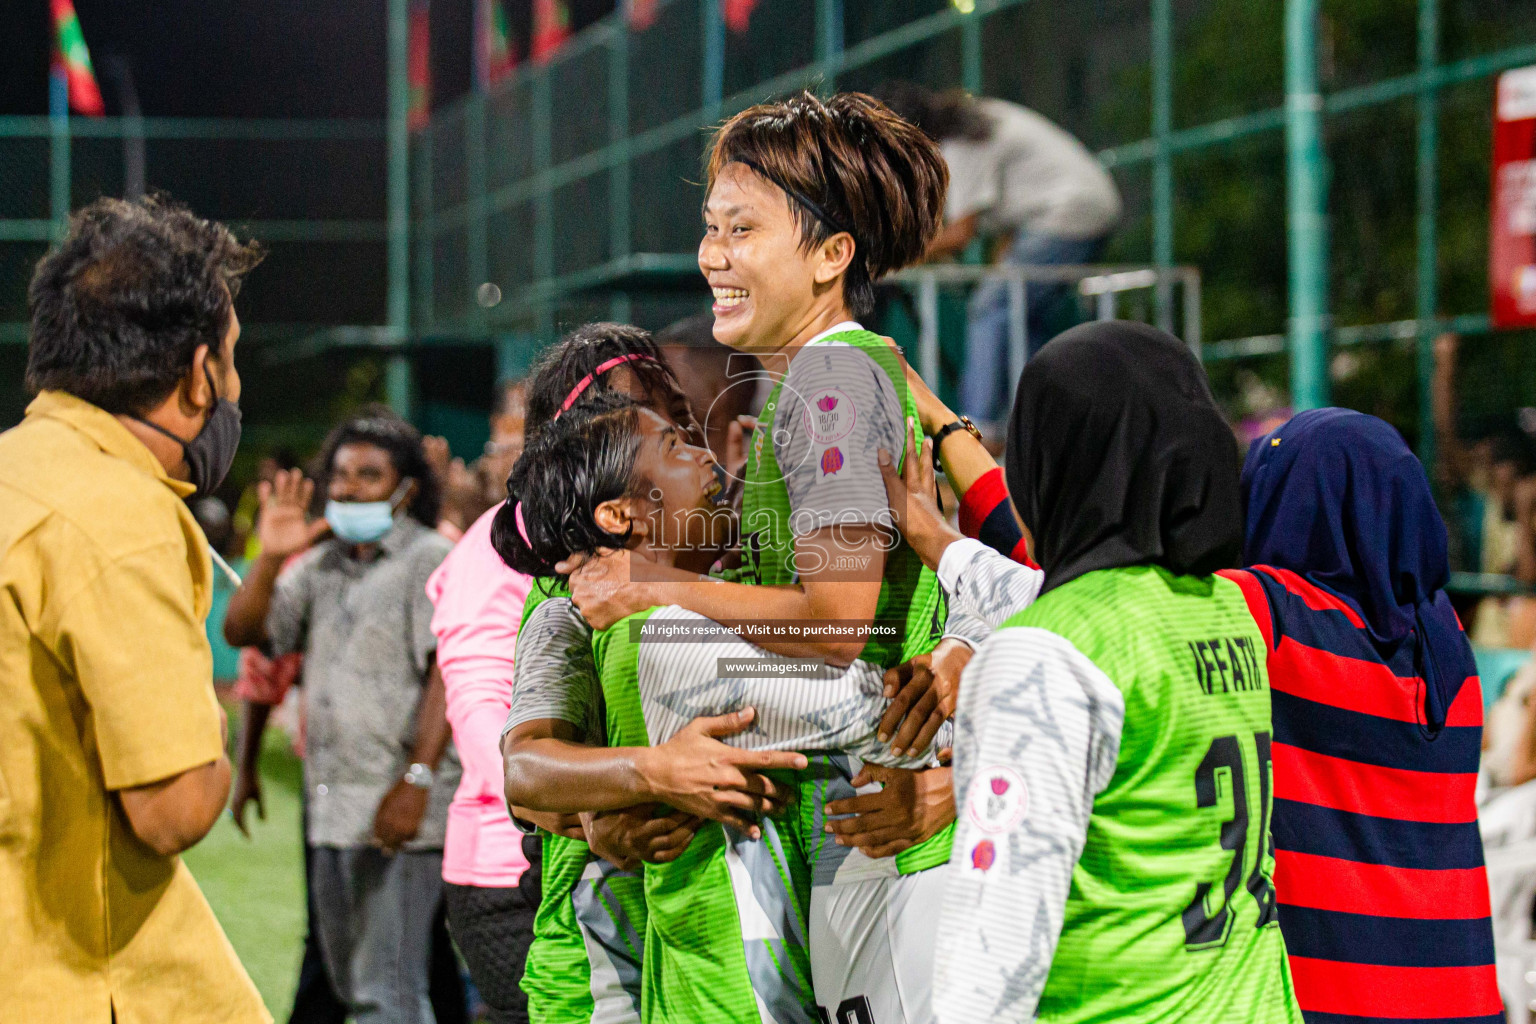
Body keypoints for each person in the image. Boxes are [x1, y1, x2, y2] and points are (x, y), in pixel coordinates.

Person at [561, 91, 966, 1024]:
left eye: (743, 230)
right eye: (710, 229)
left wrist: (650, 583)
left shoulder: (830, 379)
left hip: (871, 768)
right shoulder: (829, 374)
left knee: (658, 636)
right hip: (863, 787)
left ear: (832, 256)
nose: (714, 256)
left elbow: (837, 624)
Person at [880, 320, 1301, 1024]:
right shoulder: (1228, 612)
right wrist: (935, 536)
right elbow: (1038, 590)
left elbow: (995, 949)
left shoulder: (1045, 652)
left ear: (1061, 465)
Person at [0, 194, 268, 1023]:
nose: (232, 383)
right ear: (196, 375)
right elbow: (175, 806)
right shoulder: (119, 514)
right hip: (72, 979)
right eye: (229, 359)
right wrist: (214, 737)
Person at [1227, 408, 1500, 1024]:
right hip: (1464, 998)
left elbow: (1098, 591)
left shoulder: (1270, 617)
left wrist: (959, 454)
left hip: (1336, 1005)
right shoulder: (1449, 649)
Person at [224, 410, 461, 1024]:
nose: (349, 488)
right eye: (340, 474)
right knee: (353, 988)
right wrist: (272, 558)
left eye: (369, 475)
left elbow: (447, 673)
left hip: (397, 809)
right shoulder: (321, 564)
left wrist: (415, 781)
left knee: (390, 992)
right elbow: (244, 630)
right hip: (331, 807)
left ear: (406, 488)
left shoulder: (430, 558)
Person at [877, 82, 1122, 428]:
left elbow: (961, 233)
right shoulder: (975, 120)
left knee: (991, 308)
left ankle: (977, 427)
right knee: (1025, 321)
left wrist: (895, 256)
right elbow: (1020, 201)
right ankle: (1043, 426)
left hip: (1069, 212)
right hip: (1081, 207)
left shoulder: (963, 143)